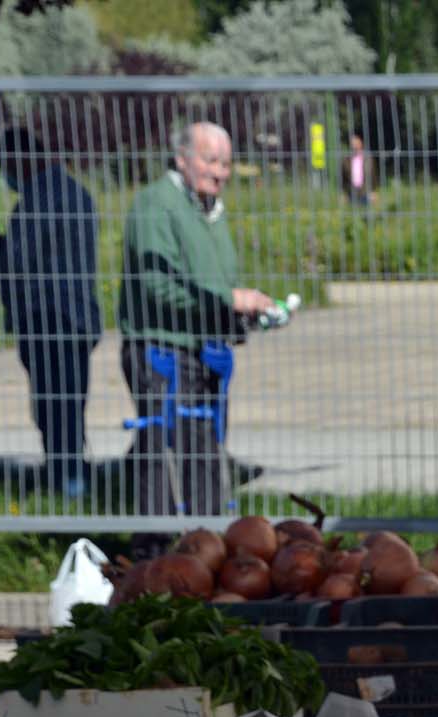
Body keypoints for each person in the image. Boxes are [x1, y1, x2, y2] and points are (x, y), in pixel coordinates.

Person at [117, 121, 275, 512]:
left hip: (202, 352)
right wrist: (229, 299)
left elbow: (213, 285)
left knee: (204, 447)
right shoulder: (157, 204)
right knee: (163, 449)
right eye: (210, 161)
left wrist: (243, 315)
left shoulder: (209, 210)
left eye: (226, 163)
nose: (220, 172)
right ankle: (154, 549)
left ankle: (206, 543)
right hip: (160, 351)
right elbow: (158, 285)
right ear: (182, 158)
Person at [0, 127, 102, 497]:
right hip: (78, 317)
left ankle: (66, 482)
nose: (5, 176)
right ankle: (73, 477)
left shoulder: (35, 203)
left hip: (46, 318)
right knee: (70, 403)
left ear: (19, 161)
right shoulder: (78, 194)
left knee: (51, 406)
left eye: (4, 167)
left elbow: (11, 269)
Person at [341, 132, 375, 207]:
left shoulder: (368, 158)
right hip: (350, 193)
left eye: (356, 142)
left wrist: (373, 191)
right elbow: (343, 178)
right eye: (352, 143)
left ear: (361, 142)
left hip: (365, 192)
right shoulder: (346, 159)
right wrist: (343, 194)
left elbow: (373, 176)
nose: (354, 145)